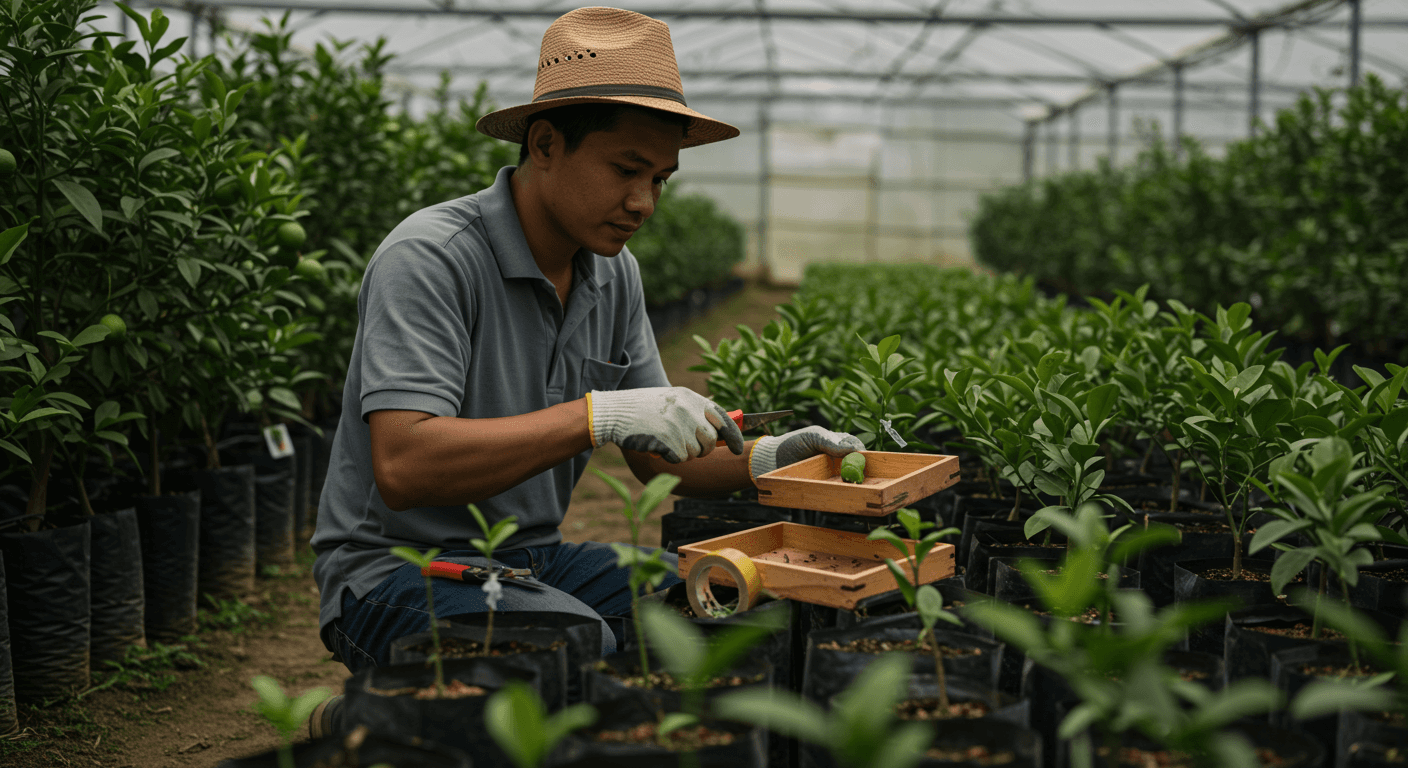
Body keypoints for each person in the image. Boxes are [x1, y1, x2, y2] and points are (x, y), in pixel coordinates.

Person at [308, 5, 864, 733]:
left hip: (527, 560)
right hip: (394, 573)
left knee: (721, 602)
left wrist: (771, 458)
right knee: (573, 647)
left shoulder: (612, 273)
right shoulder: (433, 258)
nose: (643, 203)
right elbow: (405, 465)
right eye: (626, 170)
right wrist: (595, 415)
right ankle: (371, 720)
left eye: (661, 179)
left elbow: (656, 459)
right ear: (545, 144)